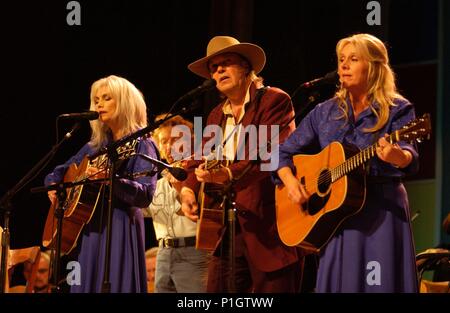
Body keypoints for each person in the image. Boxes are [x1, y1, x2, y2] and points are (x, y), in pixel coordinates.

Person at [274, 33, 419, 292]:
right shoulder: (324, 111)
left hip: (380, 210)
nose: (343, 65)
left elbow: (409, 154)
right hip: (335, 217)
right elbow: (281, 153)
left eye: (353, 59)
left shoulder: (398, 108)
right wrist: (291, 182)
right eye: (342, 59)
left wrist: (397, 156)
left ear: (374, 67)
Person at [180, 36, 302, 292]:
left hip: (269, 226)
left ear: (247, 68)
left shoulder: (274, 100)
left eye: (226, 63)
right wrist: (188, 189)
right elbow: (199, 157)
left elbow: (269, 155)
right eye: (214, 68)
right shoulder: (216, 114)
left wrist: (224, 174)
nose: (219, 70)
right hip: (226, 230)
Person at [45, 75, 158, 293]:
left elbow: (145, 194)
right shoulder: (95, 146)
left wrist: (111, 181)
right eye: (96, 99)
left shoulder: (143, 144)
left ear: (125, 102)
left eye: (107, 98)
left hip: (119, 225)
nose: (99, 104)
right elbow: (58, 172)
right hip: (89, 229)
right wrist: (53, 185)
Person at [144, 114, 209, 293]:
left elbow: (202, 211)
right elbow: (139, 210)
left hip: (194, 252)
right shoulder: (157, 184)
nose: (168, 146)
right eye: (163, 141)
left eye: (175, 140)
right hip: (163, 254)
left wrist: (181, 186)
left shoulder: (200, 175)